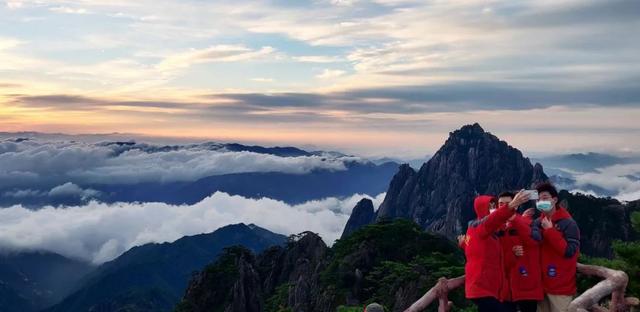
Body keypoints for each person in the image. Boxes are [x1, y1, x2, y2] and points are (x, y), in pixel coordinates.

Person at [462, 190, 530, 312]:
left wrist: (513, 255)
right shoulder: (479, 227)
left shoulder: (491, 235)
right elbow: (494, 219)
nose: (493, 209)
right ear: (481, 209)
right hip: (482, 288)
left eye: (494, 206)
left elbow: (498, 261)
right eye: (490, 206)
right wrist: (511, 206)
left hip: (490, 290)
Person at [531, 182, 580, 312]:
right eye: (538, 199)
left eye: (545, 198)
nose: (541, 201)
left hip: (561, 288)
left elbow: (569, 252)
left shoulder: (569, 224)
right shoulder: (537, 222)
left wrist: (550, 231)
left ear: (555, 200)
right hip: (541, 286)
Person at [497, 191, 543, 312]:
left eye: (508, 203)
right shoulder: (496, 227)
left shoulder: (529, 223)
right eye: (500, 204)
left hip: (527, 287)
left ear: (516, 205)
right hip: (504, 289)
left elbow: (535, 241)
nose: (504, 206)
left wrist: (516, 220)